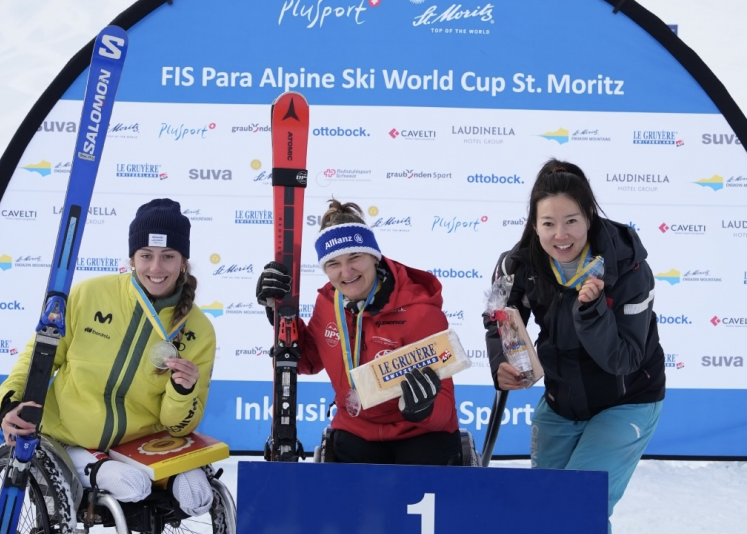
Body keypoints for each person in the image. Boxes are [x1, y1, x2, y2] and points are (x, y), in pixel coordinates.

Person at [0, 198, 217, 517]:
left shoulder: (199, 330)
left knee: (197, 495)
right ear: (132, 258)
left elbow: (178, 426)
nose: (156, 268)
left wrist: (182, 392)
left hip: (142, 447)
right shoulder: (88, 294)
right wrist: (9, 402)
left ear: (183, 262)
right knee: (132, 485)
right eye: (146, 255)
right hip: (71, 439)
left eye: (168, 256)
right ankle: (97, 470)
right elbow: (38, 356)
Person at [483, 159, 665, 532]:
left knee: (577, 510)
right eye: (548, 223)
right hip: (562, 399)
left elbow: (625, 359)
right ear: (535, 225)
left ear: (589, 218)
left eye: (571, 221)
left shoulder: (627, 266)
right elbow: (500, 317)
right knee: (543, 511)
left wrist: (592, 310)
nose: (560, 235)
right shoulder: (518, 265)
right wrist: (505, 360)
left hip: (626, 398)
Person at [256, 199, 461, 465]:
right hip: (357, 429)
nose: (346, 272)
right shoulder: (328, 303)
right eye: (333, 263)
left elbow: (444, 405)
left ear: (373, 257)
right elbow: (307, 360)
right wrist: (278, 312)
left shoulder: (420, 311)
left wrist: (424, 408)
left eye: (355, 257)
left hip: (418, 431)